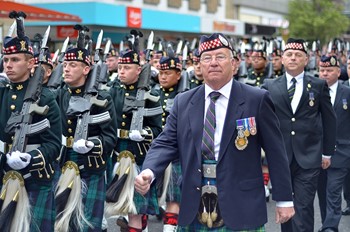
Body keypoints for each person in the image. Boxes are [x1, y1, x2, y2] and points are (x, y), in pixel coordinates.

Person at [135, 33, 294, 231]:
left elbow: (275, 151)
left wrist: (284, 199)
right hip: (195, 201)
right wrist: (149, 172)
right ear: (199, 66)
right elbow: (167, 141)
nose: (213, 63)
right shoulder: (183, 102)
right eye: (206, 58)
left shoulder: (257, 99)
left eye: (220, 56)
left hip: (241, 204)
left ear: (234, 63)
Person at [262, 38, 337, 232]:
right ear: (282, 59)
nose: (293, 58)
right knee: (285, 208)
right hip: (280, 158)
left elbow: (329, 120)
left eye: (298, 55)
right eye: (289, 55)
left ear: (306, 60)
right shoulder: (270, 85)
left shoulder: (319, 85)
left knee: (303, 208)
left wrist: (327, 152)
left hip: (309, 157)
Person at [0, 25, 62, 231]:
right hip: (3, 174)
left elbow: (54, 144)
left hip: (36, 178)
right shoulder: (1, 95)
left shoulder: (46, 98)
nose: (8, 65)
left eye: (15, 60)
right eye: (6, 60)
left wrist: (32, 159)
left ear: (31, 63)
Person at [55, 40, 118, 232]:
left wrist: (93, 145)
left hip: (91, 167)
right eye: (65, 65)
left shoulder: (102, 99)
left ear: (86, 69)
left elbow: (110, 137)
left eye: (73, 65)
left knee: (88, 226)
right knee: (62, 223)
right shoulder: (58, 95)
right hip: (63, 164)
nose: (66, 69)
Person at [106, 48, 162, 232]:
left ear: (139, 70)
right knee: (125, 206)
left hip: (139, 155)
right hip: (117, 152)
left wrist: (144, 133)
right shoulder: (113, 91)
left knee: (136, 210)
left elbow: (157, 129)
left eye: (127, 67)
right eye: (120, 67)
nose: (121, 71)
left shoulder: (151, 95)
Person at [316, 55, 350, 232]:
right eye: (322, 70)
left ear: (338, 72)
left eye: (329, 70)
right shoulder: (312, 91)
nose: (325, 74)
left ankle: (330, 227)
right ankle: (326, 222)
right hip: (317, 152)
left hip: (341, 152)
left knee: (333, 191)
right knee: (322, 193)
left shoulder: (347, 93)